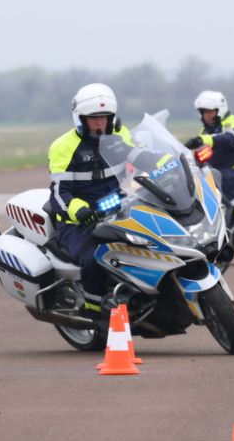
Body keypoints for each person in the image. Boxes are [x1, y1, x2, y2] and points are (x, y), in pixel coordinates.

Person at [47, 84, 169, 318]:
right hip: (78, 222)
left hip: (117, 208)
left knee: (156, 238)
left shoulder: (119, 136)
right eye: (93, 118)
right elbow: (58, 193)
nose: (100, 123)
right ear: (80, 119)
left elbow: (141, 156)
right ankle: (96, 315)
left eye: (104, 117)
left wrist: (169, 162)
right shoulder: (63, 147)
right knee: (95, 258)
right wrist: (79, 210)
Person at [184, 90, 234, 228]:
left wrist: (202, 140)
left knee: (220, 180)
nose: (206, 116)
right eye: (204, 112)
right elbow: (200, 152)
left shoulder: (232, 121)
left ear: (219, 110)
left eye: (209, 112)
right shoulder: (204, 131)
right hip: (218, 172)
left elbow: (227, 139)